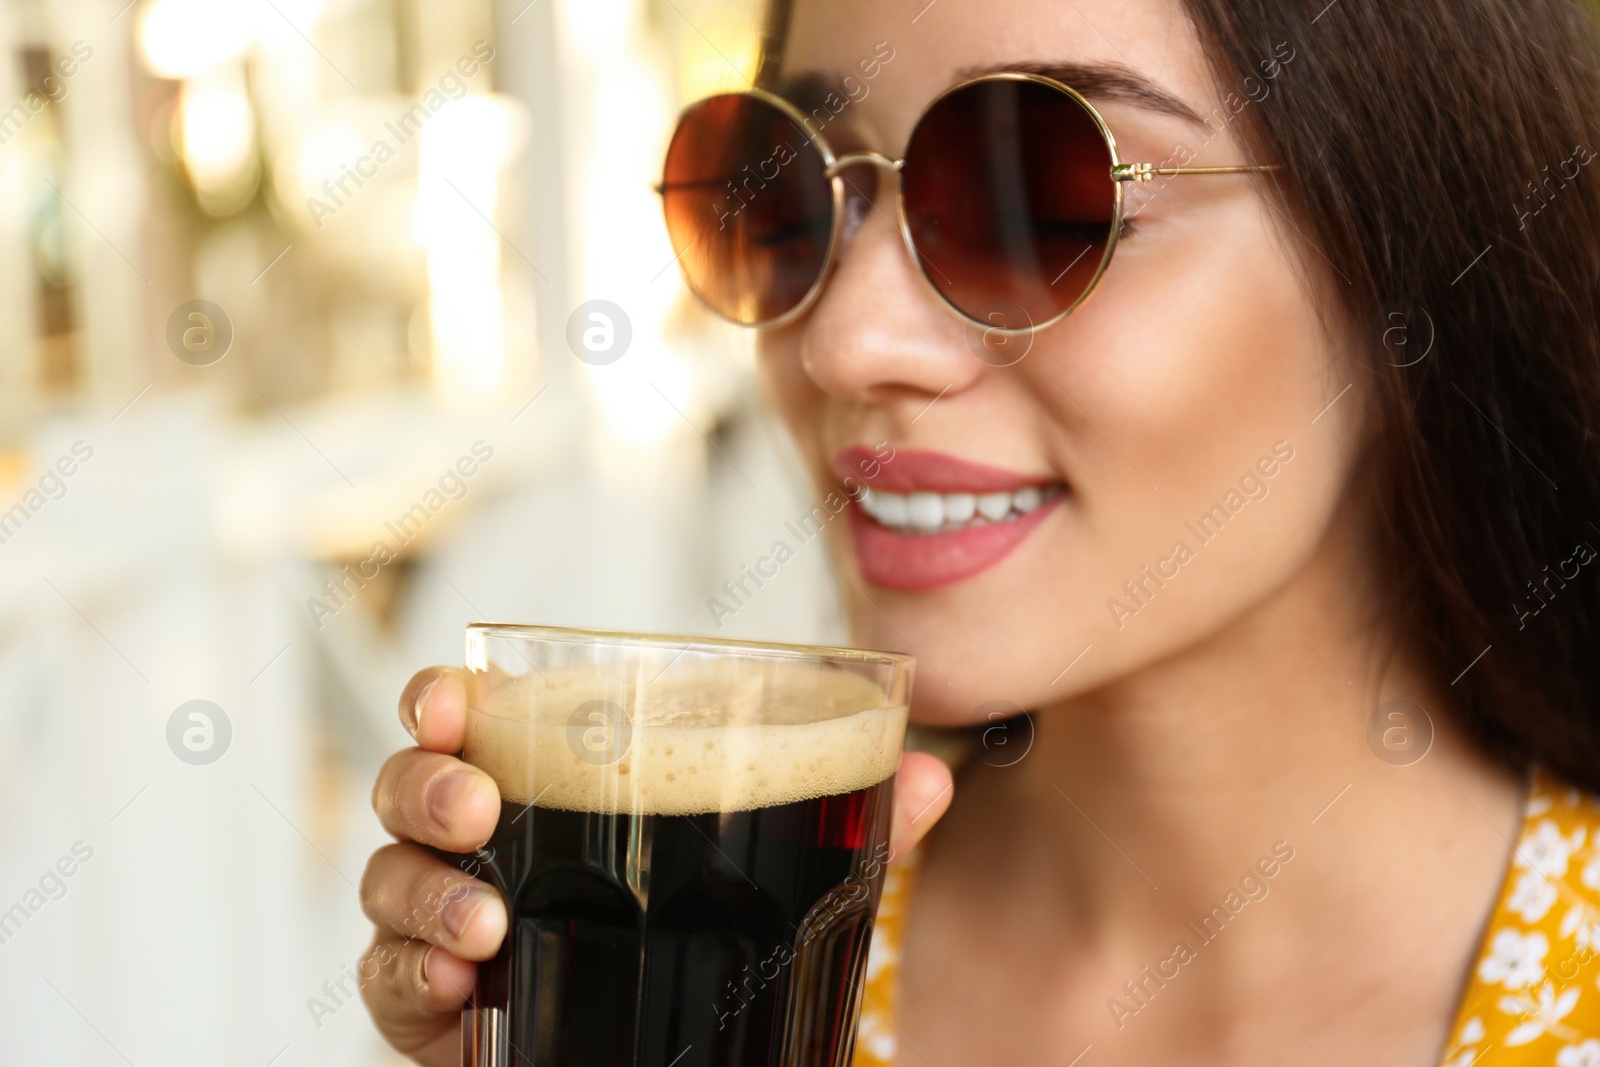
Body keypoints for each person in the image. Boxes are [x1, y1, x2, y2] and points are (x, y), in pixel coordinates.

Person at [359, 0, 1600, 1062]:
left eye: (1038, 199)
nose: (844, 337)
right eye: (786, 185)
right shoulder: (731, 959)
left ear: (1411, 256)